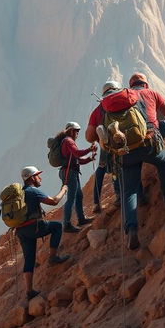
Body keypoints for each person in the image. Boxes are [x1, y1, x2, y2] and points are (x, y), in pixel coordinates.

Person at [86, 84, 165, 250]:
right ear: (120, 89)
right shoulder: (138, 95)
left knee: (129, 191)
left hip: (124, 153)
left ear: (104, 95)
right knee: (163, 162)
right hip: (148, 143)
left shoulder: (100, 109)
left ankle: (131, 230)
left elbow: (89, 137)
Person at [16, 166, 70, 300]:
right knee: (57, 226)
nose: (40, 178)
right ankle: (53, 257)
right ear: (32, 178)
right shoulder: (33, 191)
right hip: (34, 226)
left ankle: (29, 291)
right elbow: (54, 201)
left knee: (29, 258)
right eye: (38, 175)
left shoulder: (21, 193)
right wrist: (63, 189)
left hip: (21, 231)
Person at [59, 122, 97, 232]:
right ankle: (66, 224)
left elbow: (77, 160)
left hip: (70, 171)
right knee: (71, 198)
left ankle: (81, 219)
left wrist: (90, 158)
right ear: (71, 131)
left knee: (78, 195)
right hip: (69, 172)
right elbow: (77, 154)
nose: (77, 133)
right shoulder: (68, 141)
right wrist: (90, 149)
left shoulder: (67, 141)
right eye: (76, 131)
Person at [92, 81, 122, 213]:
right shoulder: (123, 101)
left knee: (102, 169)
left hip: (106, 145)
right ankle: (123, 193)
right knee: (118, 166)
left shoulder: (98, 110)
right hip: (123, 139)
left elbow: (89, 135)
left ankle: (97, 202)